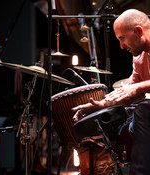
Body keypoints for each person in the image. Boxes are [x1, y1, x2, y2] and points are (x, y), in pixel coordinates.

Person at [72, 9, 150, 175]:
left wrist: (138, 87)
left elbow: (136, 88)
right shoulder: (138, 57)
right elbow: (131, 92)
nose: (121, 46)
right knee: (124, 121)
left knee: (143, 110)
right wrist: (102, 105)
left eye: (122, 38)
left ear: (138, 31)